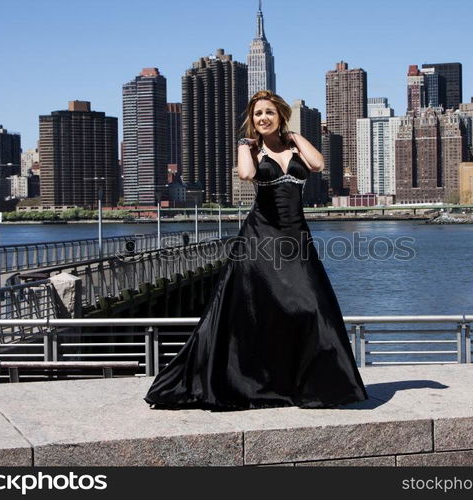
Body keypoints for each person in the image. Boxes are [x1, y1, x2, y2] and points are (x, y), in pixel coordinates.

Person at [144, 90, 368, 410]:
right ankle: (255, 382)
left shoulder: (293, 145)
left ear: (280, 116)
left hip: (296, 237)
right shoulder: (250, 149)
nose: (263, 118)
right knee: (258, 310)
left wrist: (294, 135)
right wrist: (244, 145)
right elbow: (247, 174)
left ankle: (315, 383)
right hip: (260, 238)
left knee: (312, 305)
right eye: (257, 114)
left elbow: (317, 164)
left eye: (269, 113)